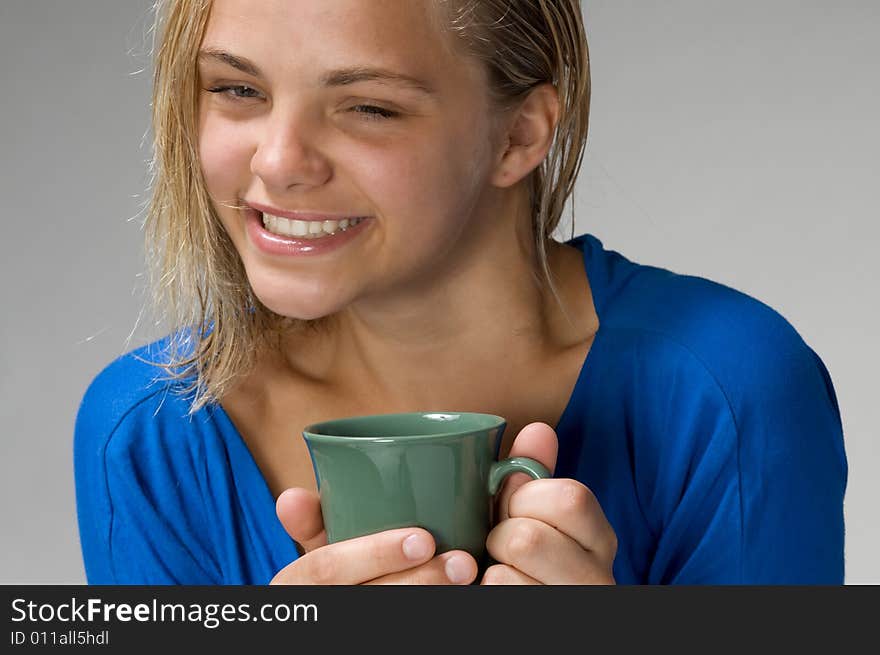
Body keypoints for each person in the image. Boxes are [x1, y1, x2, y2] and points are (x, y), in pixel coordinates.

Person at [73, 0, 847, 585]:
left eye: (368, 106)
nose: (277, 163)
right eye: (238, 89)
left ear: (520, 135)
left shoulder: (732, 390)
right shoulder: (149, 435)